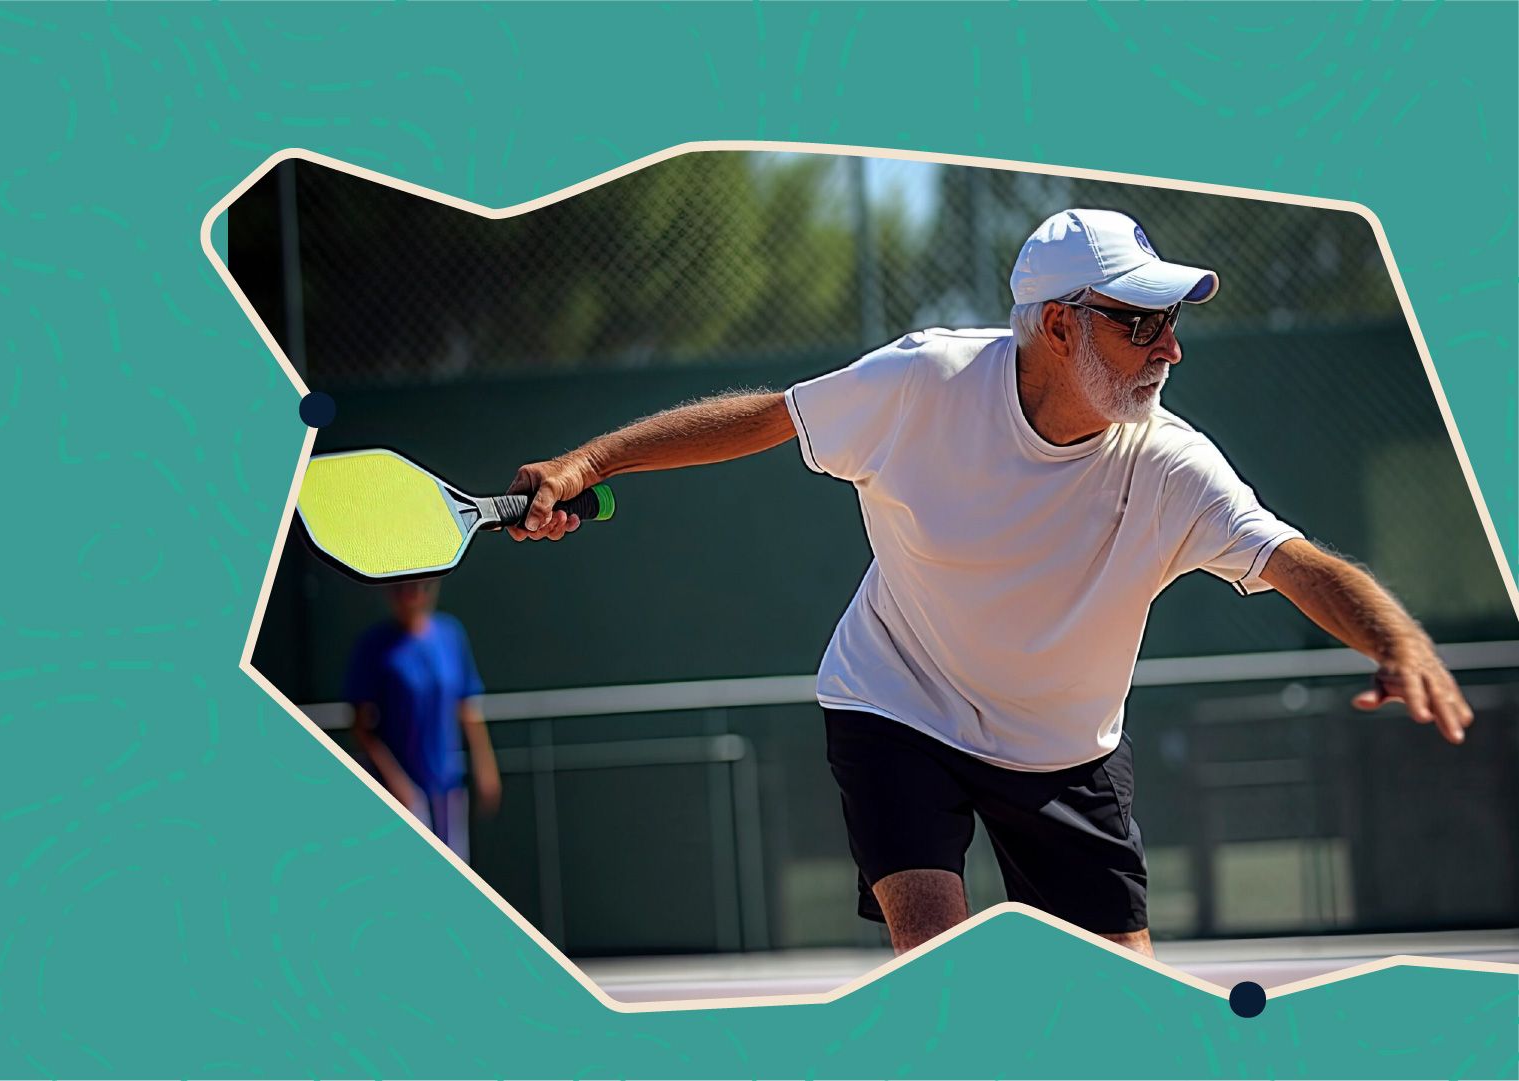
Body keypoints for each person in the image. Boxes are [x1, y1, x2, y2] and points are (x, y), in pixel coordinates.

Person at [501, 208, 1474, 957]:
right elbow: (765, 419)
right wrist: (589, 462)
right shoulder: (923, 385)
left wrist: (1394, 635)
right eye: (1140, 323)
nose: (1168, 348)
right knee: (946, 969)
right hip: (898, 707)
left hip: (1065, 754)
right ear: (1058, 324)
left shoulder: (1171, 465)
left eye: (1171, 323)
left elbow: (1294, 560)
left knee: (1122, 1016)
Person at [345, 578, 501, 862]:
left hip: (446, 785)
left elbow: (467, 707)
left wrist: (485, 766)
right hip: (399, 790)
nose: (411, 596)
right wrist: (398, 784)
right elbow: (361, 726)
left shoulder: (451, 634)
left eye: (420, 587)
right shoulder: (374, 646)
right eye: (402, 588)